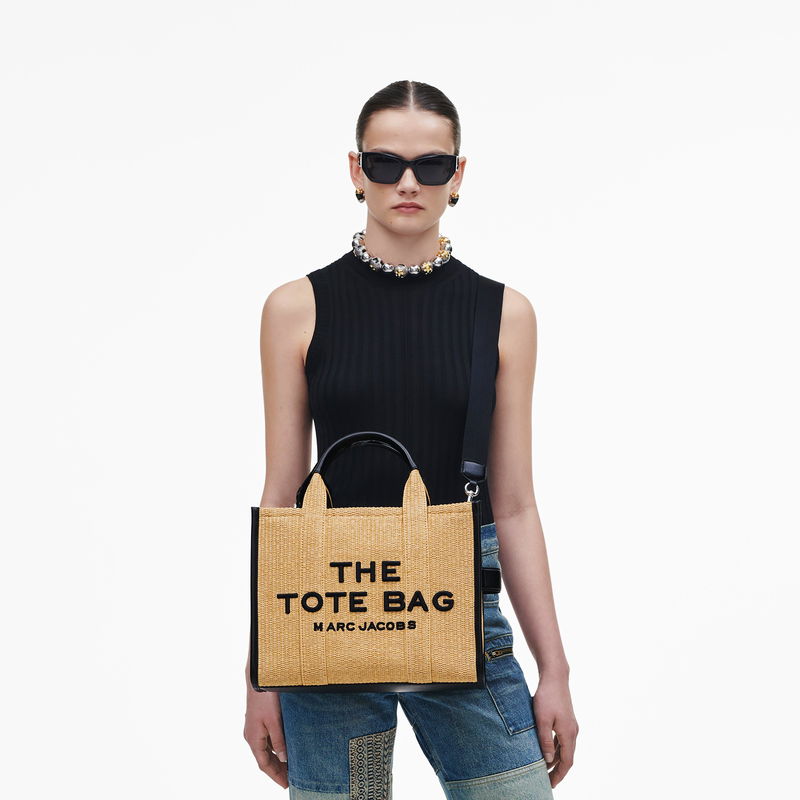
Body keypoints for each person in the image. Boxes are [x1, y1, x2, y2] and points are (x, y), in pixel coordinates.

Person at [244, 80, 578, 799]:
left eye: (430, 165)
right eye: (385, 162)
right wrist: (260, 672)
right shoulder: (296, 308)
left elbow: (514, 504)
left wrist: (554, 670)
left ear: (457, 177)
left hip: (458, 609)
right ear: (355, 169)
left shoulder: (503, 314)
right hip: (325, 612)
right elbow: (280, 498)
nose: (407, 182)